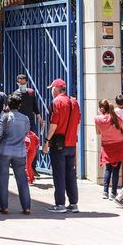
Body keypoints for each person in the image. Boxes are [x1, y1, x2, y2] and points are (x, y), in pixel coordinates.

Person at [43, 79, 81, 213]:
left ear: (56, 89)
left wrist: (46, 140)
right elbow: (77, 124)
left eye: (52, 89)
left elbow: (54, 124)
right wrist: (74, 140)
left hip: (59, 144)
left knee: (59, 175)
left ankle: (60, 204)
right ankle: (73, 203)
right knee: (71, 174)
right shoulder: (75, 102)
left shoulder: (56, 102)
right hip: (71, 143)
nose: (52, 92)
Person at [0, 95, 32, 214]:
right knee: (22, 180)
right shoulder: (25, 118)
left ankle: (4, 206)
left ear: (7, 105)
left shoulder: (4, 117)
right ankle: (26, 207)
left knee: (3, 180)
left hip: (4, 150)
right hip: (20, 152)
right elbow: (26, 133)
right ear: (19, 105)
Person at [95, 99, 123, 200]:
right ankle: (113, 192)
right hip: (118, 144)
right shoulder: (115, 117)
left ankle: (105, 191)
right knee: (116, 169)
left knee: (108, 168)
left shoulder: (97, 119)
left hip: (106, 145)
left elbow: (98, 132)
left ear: (100, 108)